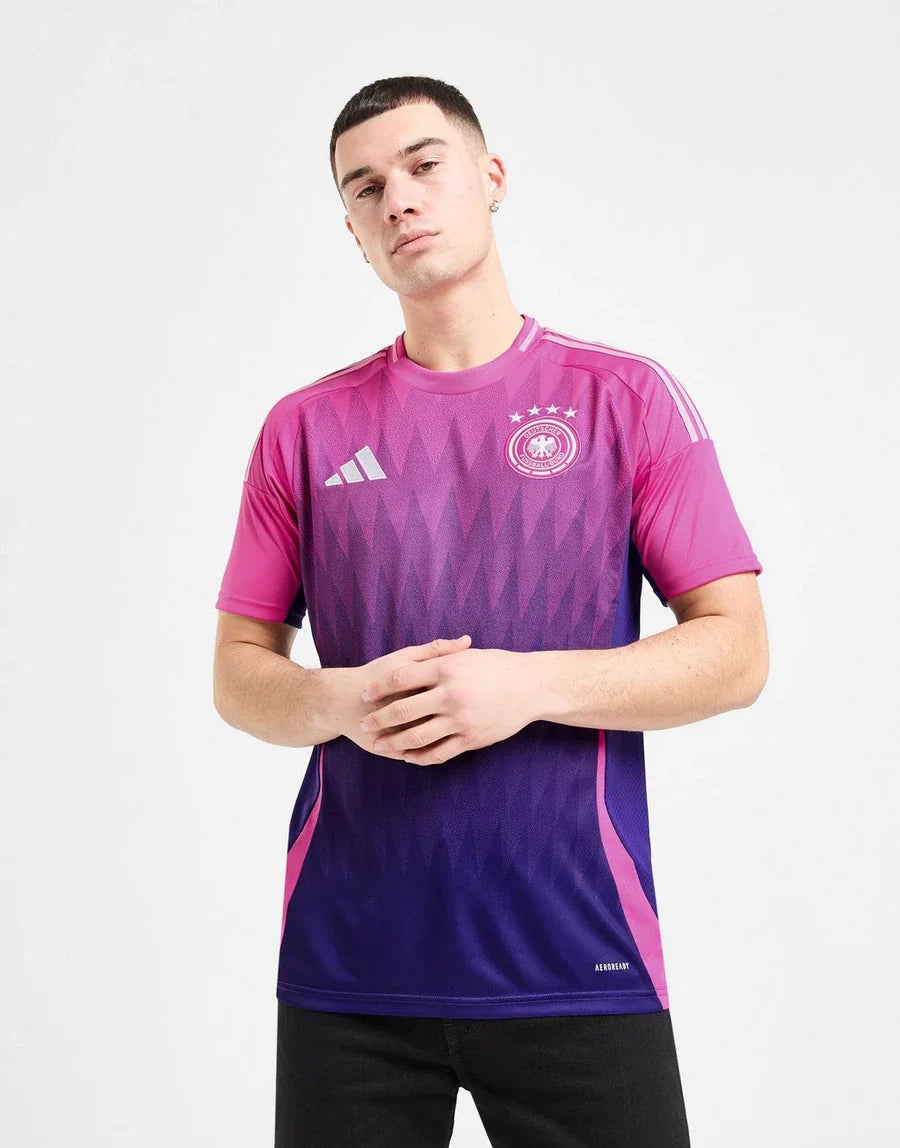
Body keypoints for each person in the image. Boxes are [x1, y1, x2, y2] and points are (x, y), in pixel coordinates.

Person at [213, 75, 768, 1148]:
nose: (398, 199)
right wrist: (340, 700)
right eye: (365, 188)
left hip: (577, 955)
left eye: (424, 165)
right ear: (353, 231)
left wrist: (528, 685)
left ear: (491, 176)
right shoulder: (304, 429)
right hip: (350, 968)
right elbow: (239, 672)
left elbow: (736, 651)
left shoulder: (625, 401)